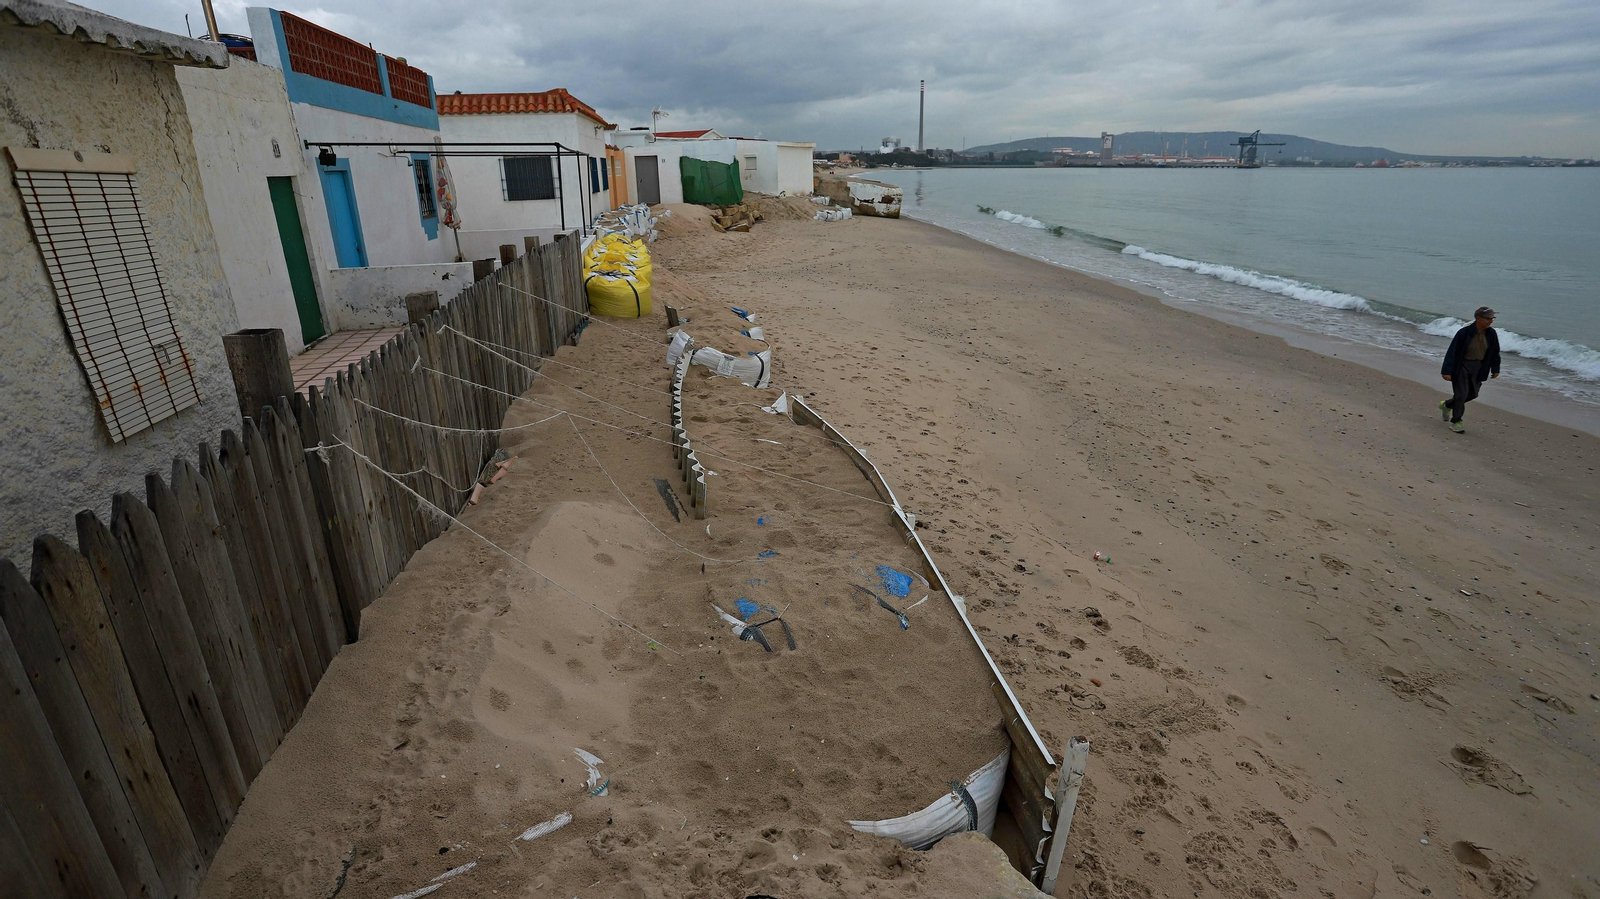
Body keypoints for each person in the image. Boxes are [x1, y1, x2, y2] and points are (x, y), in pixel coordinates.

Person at [1438, 306, 1501, 433]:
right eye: (1488, 318)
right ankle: (1456, 422)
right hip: (1462, 366)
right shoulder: (1464, 333)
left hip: (1479, 367)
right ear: (1478, 318)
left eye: (1492, 318)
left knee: (1473, 394)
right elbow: (1452, 352)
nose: (1491, 321)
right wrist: (1446, 371)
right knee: (1461, 395)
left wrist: (1495, 368)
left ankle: (1447, 405)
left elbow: (1495, 352)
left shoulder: (1491, 334)